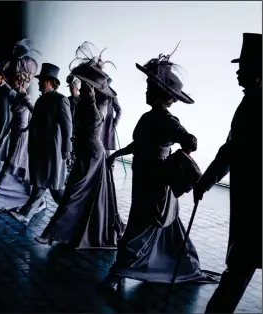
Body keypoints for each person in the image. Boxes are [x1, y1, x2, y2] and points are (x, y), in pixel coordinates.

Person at [102, 49, 219, 288]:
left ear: (159, 94)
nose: (146, 91)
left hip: (156, 184)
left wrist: (176, 160)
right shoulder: (148, 118)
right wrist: (117, 153)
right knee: (167, 227)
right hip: (143, 179)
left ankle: (118, 271)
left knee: (139, 228)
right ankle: (184, 265)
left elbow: (191, 141)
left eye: (149, 88)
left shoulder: (168, 121)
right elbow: (139, 144)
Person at [193, 33, 262, 313]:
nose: (237, 71)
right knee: (241, 264)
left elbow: (231, 151)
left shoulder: (253, 105)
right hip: (253, 198)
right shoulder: (252, 102)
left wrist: (205, 181)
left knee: (240, 263)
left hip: (254, 200)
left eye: (243, 67)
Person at [34, 61, 124, 248]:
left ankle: (51, 234)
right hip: (83, 151)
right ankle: (72, 232)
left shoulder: (100, 102)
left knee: (74, 193)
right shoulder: (80, 101)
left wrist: (91, 102)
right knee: (78, 194)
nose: (81, 88)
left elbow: (97, 122)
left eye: (85, 85)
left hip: (93, 153)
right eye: (81, 85)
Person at [0, 39, 45, 212]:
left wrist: (29, 128)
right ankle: (25, 198)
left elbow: (35, 112)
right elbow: (7, 86)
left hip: (21, 135)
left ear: (21, 80)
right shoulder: (18, 93)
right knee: (11, 166)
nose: (13, 80)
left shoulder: (24, 96)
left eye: (15, 78)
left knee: (10, 166)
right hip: (14, 132)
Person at [11, 63, 72, 224]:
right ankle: (73, 214)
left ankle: (26, 214)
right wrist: (27, 130)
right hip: (40, 149)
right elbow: (36, 120)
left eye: (42, 80)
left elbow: (67, 126)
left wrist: (67, 148)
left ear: (52, 82)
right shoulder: (41, 100)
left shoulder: (60, 100)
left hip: (53, 150)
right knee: (50, 185)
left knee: (47, 184)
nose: (39, 83)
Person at [100, 78, 122, 156]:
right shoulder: (96, 93)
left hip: (106, 126)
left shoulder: (111, 95)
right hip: (97, 124)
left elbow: (119, 110)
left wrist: (115, 122)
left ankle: (109, 167)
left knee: (105, 149)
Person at [66, 73, 81, 173]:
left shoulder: (82, 101)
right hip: (68, 129)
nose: (71, 89)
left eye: (73, 87)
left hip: (77, 131)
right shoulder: (67, 99)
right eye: (70, 87)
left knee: (75, 153)